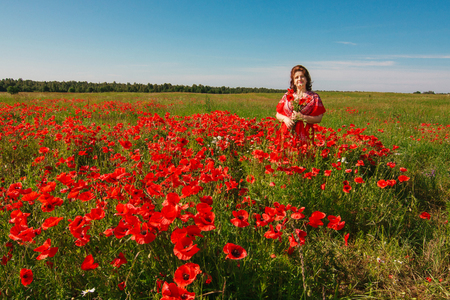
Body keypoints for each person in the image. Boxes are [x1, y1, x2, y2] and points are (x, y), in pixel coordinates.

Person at [276, 65, 326, 145]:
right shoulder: (287, 95)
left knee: (303, 155)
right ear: (293, 81)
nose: (299, 79)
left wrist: (302, 117)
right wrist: (285, 119)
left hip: (305, 135)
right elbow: (278, 114)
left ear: (307, 79)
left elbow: (318, 119)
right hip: (287, 134)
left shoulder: (314, 97)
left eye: (302, 76)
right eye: (296, 77)